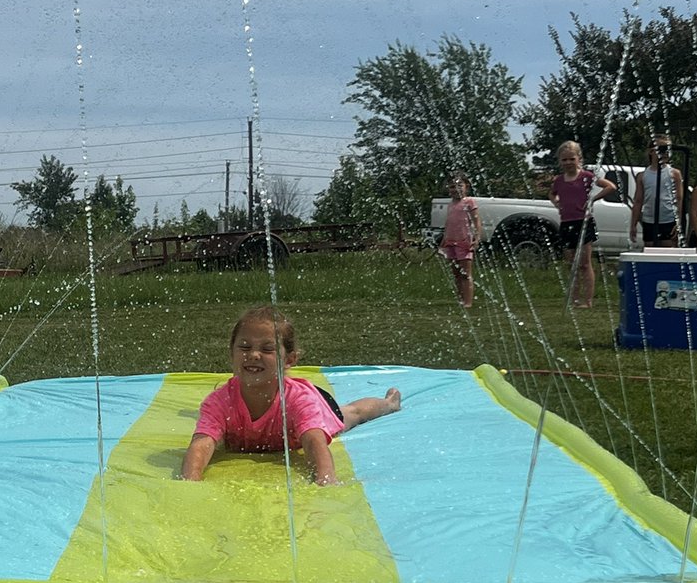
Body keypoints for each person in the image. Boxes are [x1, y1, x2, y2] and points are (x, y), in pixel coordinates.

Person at [179, 305, 401, 486]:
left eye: (267, 349)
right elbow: (200, 446)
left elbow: (315, 444)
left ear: (289, 360)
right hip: (269, 405)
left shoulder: (299, 403)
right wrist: (191, 483)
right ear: (231, 353)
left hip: (314, 400)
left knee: (352, 414)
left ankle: (388, 403)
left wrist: (326, 481)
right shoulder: (218, 403)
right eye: (244, 347)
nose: (253, 355)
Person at [549, 141, 615, 308]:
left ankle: (588, 300)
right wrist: (556, 203)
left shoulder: (587, 177)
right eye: (564, 160)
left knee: (585, 263)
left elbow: (610, 187)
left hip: (583, 222)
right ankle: (574, 298)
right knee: (571, 264)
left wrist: (593, 199)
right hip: (566, 222)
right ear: (560, 161)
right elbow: (552, 194)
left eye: (572, 159)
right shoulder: (559, 180)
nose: (568, 163)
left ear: (579, 159)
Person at [630, 135, 684, 248]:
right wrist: (633, 224)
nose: (665, 153)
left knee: (668, 250)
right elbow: (638, 201)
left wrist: (679, 221)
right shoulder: (642, 176)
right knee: (650, 249)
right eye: (661, 149)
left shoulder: (674, 174)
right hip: (649, 220)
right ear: (651, 151)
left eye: (668, 149)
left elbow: (679, 199)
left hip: (668, 219)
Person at [438, 172, 482, 308]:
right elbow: (449, 223)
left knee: (465, 274)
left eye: (459, 185)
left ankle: (468, 302)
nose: (455, 189)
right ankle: (461, 299)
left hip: (464, 242)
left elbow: (476, 220)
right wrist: (444, 240)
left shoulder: (469, 202)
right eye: (452, 186)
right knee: (456, 274)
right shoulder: (451, 204)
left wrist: (477, 236)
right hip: (450, 242)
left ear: (466, 187)